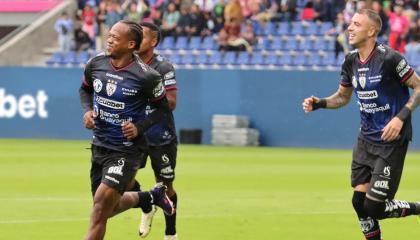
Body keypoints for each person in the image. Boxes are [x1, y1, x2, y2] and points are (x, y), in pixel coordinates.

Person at [302, 9, 420, 240]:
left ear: (372, 30)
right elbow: (343, 97)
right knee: (359, 201)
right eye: (350, 23)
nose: (349, 28)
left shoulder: (390, 58)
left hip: (391, 142)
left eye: (356, 24)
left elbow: (419, 86)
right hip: (365, 140)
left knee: (375, 207)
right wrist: (321, 103)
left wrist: (400, 117)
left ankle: (417, 207)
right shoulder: (350, 61)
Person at [78, 20, 175, 240]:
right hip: (99, 145)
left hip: (126, 151)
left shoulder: (147, 76)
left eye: (115, 37)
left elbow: (164, 108)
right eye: (109, 35)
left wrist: (140, 127)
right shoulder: (96, 63)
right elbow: (84, 90)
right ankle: (149, 197)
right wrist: (86, 111)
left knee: (100, 210)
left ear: (131, 44)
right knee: (108, 208)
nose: (109, 39)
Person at [136, 22, 179, 240]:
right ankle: (147, 203)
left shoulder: (163, 67)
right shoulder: (127, 64)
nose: (135, 39)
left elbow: (170, 102)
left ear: (153, 41)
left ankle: (170, 233)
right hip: (134, 134)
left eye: (141, 36)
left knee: (166, 185)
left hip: (160, 136)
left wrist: (145, 93)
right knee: (123, 183)